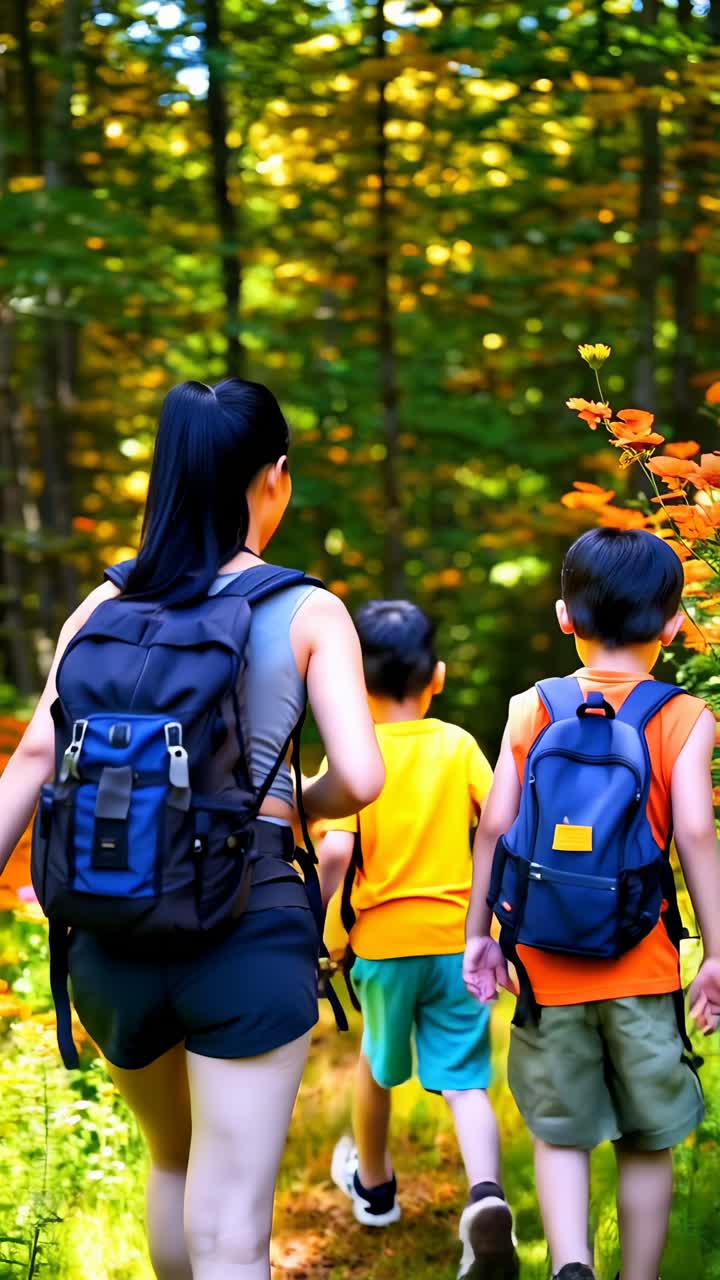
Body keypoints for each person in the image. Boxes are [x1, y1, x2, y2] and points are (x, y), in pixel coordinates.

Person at [0, 378, 385, 1280]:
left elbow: (29, 765)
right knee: (233, 1222)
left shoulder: (100, 609)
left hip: (111, 920)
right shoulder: (307, 609)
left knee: (170, 1163)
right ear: (274, 479)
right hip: (246, 922)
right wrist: (302, 802)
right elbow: (361, 779)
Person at [464, 527, 720, 1280]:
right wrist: (715, 954)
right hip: (642, 965)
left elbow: (495, 828)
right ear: (673, 626)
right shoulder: (683, 717)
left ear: (564, 617)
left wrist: (480, 934)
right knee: (647, 1137)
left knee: (561, 1130)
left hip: (544, 966)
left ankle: (571, 1264)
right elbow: (698, 836)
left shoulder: (530, 708)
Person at [319, 600, 518, 1280]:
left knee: (377, 1065)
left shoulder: (353, 751)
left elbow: (337, 853)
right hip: (456, 941)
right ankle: (486, 1197)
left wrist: (311, 930)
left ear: (354, 681)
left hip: (382, 947)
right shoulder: (458, 745)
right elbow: (503, 828)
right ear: (436, 676)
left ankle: (374, 1188)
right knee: (465, 1082)